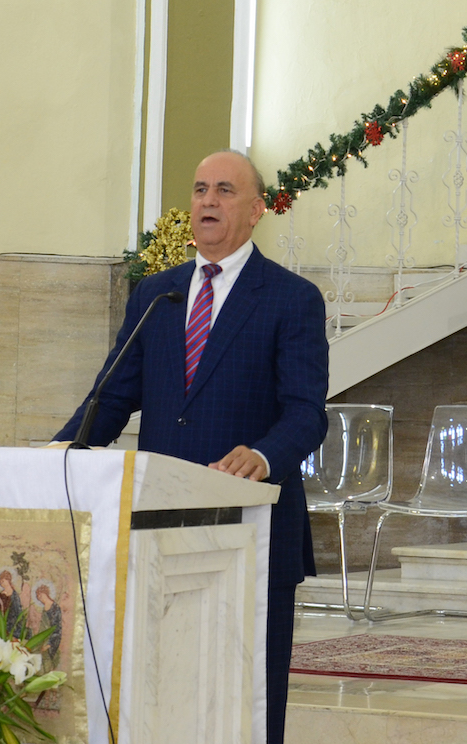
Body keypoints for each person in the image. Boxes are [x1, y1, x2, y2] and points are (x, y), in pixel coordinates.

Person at [55, 150, 329, 743]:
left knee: (249, 700)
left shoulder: (291, 298)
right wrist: (58, 455)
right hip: (159, 529)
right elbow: (112, 396)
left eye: (225, 190)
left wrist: (263, 455)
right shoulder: (158, 295)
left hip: (251, 529)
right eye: (200, 189)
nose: (208, 200)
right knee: (162, 692)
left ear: (256, 210)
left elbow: (307, 413)